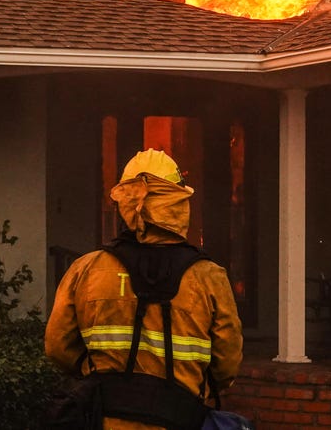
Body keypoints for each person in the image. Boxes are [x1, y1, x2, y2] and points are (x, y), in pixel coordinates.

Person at [45, 149, 244, 430]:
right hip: (181, 418)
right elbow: (226, 366)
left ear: (125, 203)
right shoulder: (209, 277)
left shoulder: (87, 269)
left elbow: (58, 347)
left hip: (104, 420)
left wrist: (97, 373)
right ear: (178, 201)